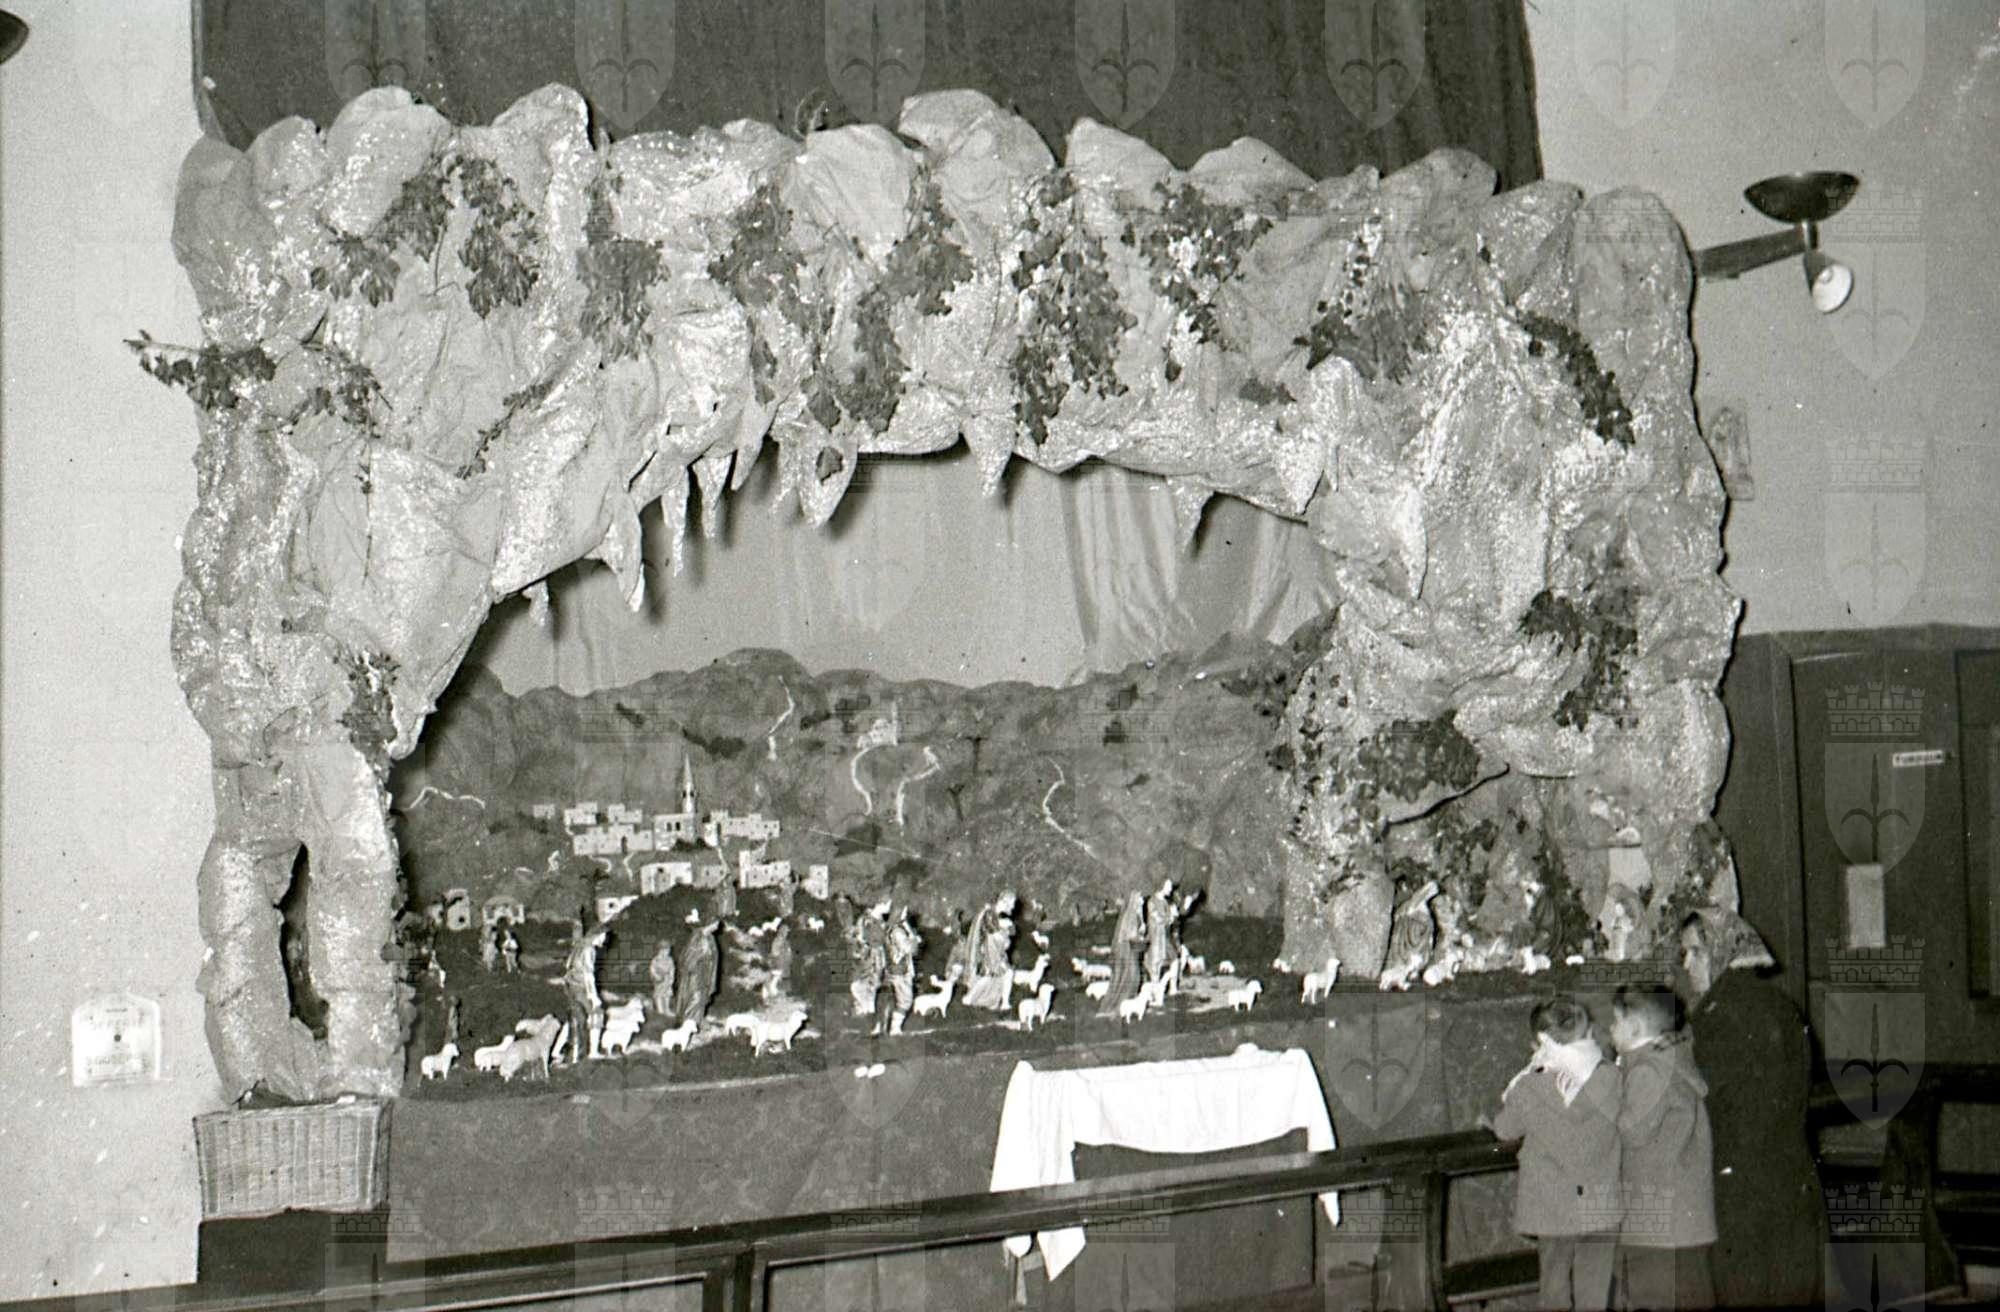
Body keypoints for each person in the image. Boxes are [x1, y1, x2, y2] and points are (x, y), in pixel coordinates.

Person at [1676, 912, 1824, 1308]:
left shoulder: (1717, 1015)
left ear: (1721, 952)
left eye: (1695, 952)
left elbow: (1704, 1101)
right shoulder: (1782, 1006)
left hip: (1738, 1187)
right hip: (1792, 1175)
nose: (1686, 965)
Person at [1489, 997, 1622, 1311]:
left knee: (1554, 1286)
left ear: (1540, 1044)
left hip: (1551, 1207)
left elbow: (1505, 1130)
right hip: (1601, 1203)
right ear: (1587, 1033)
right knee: (1596, 1290)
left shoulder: (1529, 1086)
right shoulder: (1613, 1079)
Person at [1609, 983, 1715, 1311]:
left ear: (1634, 1027)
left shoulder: (1648, 1072)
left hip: (1658, 1222)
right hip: (1682, 1219)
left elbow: (1630, 1132)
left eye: (1615, 1021)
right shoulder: (1671, 1061)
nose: (1610, 1029)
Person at [561, 923, 611, 1064]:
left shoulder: (579, 946)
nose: (604, 939)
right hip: (581, 988)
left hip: (570, 986)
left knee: (574, 1018)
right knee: (597, 1013)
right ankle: (593, 1052)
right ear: (597, 935)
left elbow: (567, 965)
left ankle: (560, 1051)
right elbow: (589, 975)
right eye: (603, 936)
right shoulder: (589, 950)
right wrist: (593, 996)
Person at [1100, 890, 1147, 1016]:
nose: (1142, 901)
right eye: (1140, 898)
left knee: (1132, 977)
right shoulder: (1131, 915)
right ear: (1135, 900)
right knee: (1131, 977)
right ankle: (1121, 1005)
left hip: (1130, 949)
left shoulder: (1136, 914)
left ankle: (1127, 1005)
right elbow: (1131, 935)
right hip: (1128, 951)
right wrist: (1141, 936)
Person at [677, 918, 720, 1030]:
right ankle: (688, 1021)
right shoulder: (697, 937)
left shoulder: (710, 937)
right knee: (695, 997)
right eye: (715, 923)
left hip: (706, 971)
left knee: (703, 997)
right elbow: (689, 957)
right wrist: (700, 957)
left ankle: (698, 1019)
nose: (717, 926)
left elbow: (713, 955)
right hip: (695, 973)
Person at [648, 940, 677, 1018]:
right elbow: (652, 970)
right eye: (666, 950)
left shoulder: (669, 960)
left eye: (668, 951)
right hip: (659, 980)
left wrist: (671, 978)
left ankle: (667, 1009)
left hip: (667, 980)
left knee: (667, 994)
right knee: (659, 994)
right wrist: (656, 976)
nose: (667, 952)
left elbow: (672, 969)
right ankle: (660, 1010)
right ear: (661, 950)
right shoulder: (656, 960)